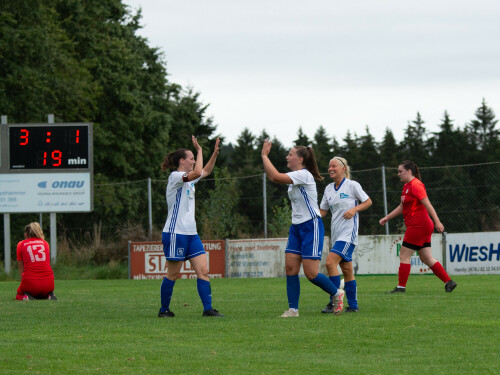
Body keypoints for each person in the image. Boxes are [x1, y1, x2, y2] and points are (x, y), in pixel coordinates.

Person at [261, 140, 345, 317]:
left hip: (311, 226)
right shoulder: (295, 177)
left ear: (300, 159)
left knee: (311, 273)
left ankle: (337, 294)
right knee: (291, 269)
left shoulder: (304, 175)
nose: (287, 157)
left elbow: (275, 176)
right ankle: (293, 310)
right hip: (296, 227)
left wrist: (264, 156)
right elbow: (272, 176)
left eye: (290, 154)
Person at [158, 136, 224, 317]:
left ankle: (208, 309)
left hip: (191, 233)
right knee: (173, 274)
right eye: (191, 158)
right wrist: (200, 150)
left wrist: (215, 154)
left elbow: (206, 171)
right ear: (182, 161)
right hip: (175, 233)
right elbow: (196, 172)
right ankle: (164, 310)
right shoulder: (176, 177)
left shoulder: (188, 179)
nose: (194, 161)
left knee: (203, 270)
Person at [379, 160, 457, 293]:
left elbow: (428, 204)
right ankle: (449, 282)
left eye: (400, 171)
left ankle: (401, 288)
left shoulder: (416, 185)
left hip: (418, 225)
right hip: (422, 225)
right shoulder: (407, 186)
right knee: (426, 258)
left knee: (404, 255)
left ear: (409, 171)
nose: (398, 174)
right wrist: (388, 217)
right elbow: (402, 207)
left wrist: (438, 222)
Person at [319, 156, 372, 313]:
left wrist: (354, 209)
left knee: (330, 263)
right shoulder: (328, 188)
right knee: (347, 270)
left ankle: (334, 301)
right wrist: (309, 216)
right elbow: (323, 211)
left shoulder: (352, 185)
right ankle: (353, 306)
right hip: (336, 235)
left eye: (334, 166)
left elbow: (368, 201)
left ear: (343, 169)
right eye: (329, 166)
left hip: (348, 235)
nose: (330, 169)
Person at [15, 222, 57, 301]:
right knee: (41, 292)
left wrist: (23, 288)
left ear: (27, 234)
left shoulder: (21, 244)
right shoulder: (45, 244)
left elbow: (21, 269)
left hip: (31, 283)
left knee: (18, 295)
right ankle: (49, 295)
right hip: (49, 284)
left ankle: (26, 296)